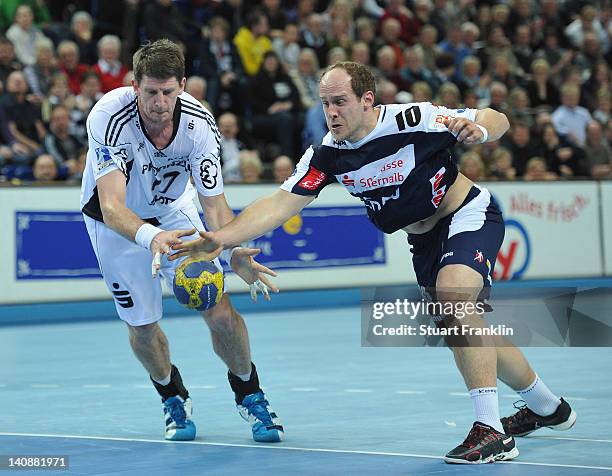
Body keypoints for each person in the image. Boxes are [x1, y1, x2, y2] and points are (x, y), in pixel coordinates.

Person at [170, 61, 577, 464]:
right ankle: (548, 407)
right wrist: (219, 240)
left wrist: (482, 128)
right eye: (325, 103)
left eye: (340, 102)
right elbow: (278, 204)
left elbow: (496, 117)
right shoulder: (326, 155)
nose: (331, 112)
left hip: (467, 215)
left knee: (456, 304)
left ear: (367, 100)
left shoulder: (415, 118)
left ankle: (491, 432)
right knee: (463, 326)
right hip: (423, 243)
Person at [79, 39, 284, 444]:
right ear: (134, 86)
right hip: (118, 225)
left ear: (183, 86)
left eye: (168, 92)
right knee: (142, 327)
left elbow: (215, 204)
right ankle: (171, 393)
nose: (159, 103)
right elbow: (112, 205)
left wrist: (232, 247)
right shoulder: (108, 116)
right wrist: (151, 238)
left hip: (175, 213)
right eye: (151, 92)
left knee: (218, 307)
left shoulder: (199, 125)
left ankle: (250, 393)